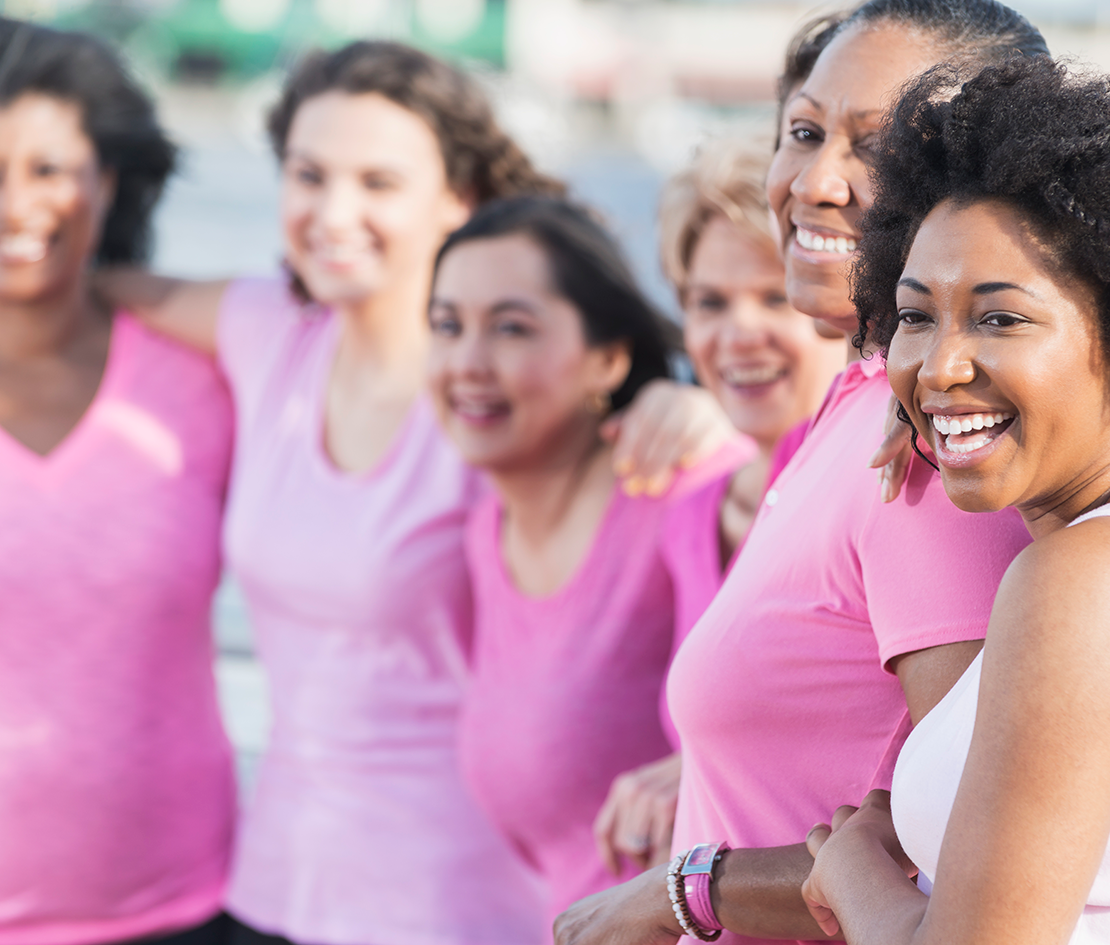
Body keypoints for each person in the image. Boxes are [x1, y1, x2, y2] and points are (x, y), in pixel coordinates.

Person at [96, 42, 733, 945]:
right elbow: (84, 288)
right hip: (270, 885)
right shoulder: (267, 330)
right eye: (309, 174)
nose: (333, 212)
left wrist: (687, 403)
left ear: (457, 200)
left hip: (457, 900)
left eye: (378, 181)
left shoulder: (503, 402)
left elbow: (664, 516)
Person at [554, 4, 1044, 944]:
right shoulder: (857, 402)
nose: (815, 182)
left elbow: (967, 850)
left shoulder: (935, 458)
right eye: (804, 131)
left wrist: (680, 892)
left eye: (877, 148)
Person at [801, 55, 1110, 945]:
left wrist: (849, 871)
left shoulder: (1088, 580)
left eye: (999, 319)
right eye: (916, 317)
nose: (939, 364)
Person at [428, 196, 746, 942]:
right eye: (446, 325)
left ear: (607, 357)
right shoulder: (486, 528)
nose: (468, 362)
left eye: (511, 327)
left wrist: (695, 764)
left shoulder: (684, 492)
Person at [0, 20, 235, 945]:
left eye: (50, 168)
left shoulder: (208, 376)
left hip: (186, 910)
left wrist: (664, 415)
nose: (17, 203)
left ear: (111, 179)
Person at [590, 137, 849, 878]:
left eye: (774, 296)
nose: (738, 331)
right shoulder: (689, 507)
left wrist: (694, 769)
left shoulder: (876, 496)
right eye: (709, 301)